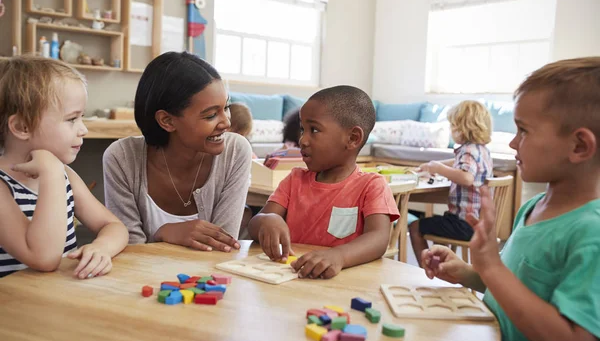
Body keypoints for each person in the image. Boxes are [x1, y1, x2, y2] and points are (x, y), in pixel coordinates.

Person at [422, 57, 600, 341]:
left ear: (579, 146)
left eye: (524, 131)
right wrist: (467, 273)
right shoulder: (533, 208)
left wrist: (491, 266)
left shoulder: (592, 233)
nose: (513, 143)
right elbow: (513, 287)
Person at [103, 52, 252, 252]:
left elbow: (222, 247)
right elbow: (129, 252)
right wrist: (163, 232)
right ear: (167, 121)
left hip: (208, 282)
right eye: (210, 115)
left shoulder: (235, 151)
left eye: (226, 107)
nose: (226, 122)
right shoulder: (122, 158)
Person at [248, 85, 400, 279]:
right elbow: (254, 226)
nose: (303, 140)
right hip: (290, 278)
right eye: (303, 129)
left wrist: (339, 256)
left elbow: (378, 239)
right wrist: (266, 220)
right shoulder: (294, 180)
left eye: (314, 130)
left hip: (343, 283)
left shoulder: (371, 186)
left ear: (353, 138)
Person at [0, 56, 128, 279]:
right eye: (72, 119)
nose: (83, 129)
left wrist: (102, 248)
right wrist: (51, 172)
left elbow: (113, 226)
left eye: (82, 117)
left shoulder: (66, 175)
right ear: (22, 126)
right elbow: (43, 258)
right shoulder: (5, 186)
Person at [409, 100, 493, 267]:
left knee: (415, 226)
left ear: (463, 128)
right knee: (440, 223)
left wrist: (438, 168)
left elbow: (467, 177)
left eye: (452, 126)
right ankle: (442, 266)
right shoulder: (482, 150)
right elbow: (458, 162)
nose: (451, 130)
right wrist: (433, 165)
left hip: (464, 225)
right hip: (479, 224)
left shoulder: (468, 150)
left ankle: (426, 269)